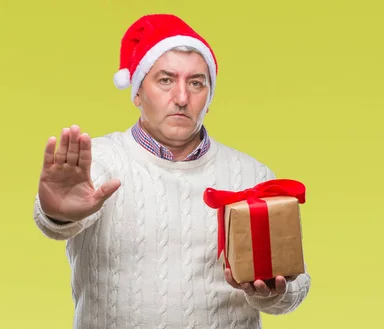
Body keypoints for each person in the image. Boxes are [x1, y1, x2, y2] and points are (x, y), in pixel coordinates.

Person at [31, 13, 311, 329]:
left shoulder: (251, 174)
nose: (181, 98)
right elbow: (55, 224)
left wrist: (274, 292)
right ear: (137, 92)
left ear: (209, 98)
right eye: (165, 80)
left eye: (196, 83)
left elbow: (296, 284)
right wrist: (57, 213)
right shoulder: (98, 160)